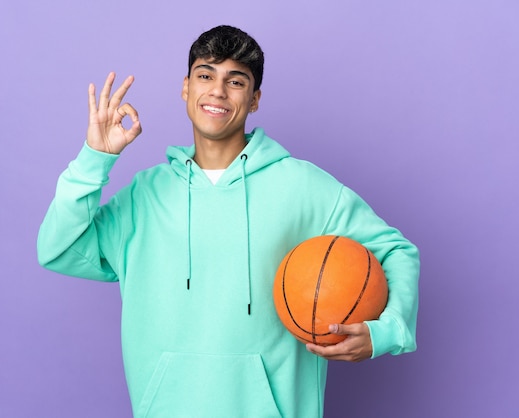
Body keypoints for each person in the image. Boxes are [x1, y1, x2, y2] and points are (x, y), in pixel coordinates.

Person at [38, 25, 419, 418]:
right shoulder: (143, 196)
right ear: (186, 88)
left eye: (235, 81)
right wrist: (94, 159)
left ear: (254, 100)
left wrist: (385, 331)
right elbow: (58, 249)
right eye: (206, 75)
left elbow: (395, 251)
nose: (218, 91)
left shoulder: (304, 187)